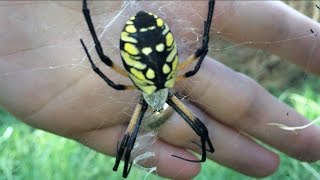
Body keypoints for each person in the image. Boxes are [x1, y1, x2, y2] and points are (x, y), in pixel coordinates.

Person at [1, 1, 319, 179]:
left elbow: (103, 64)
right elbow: (200, 50)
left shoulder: (129, 84)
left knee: (136, 137)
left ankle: (121, 166)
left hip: (144, 50)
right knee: (196, 126)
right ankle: (129, 164)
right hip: (157, 49)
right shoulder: (176, 79)